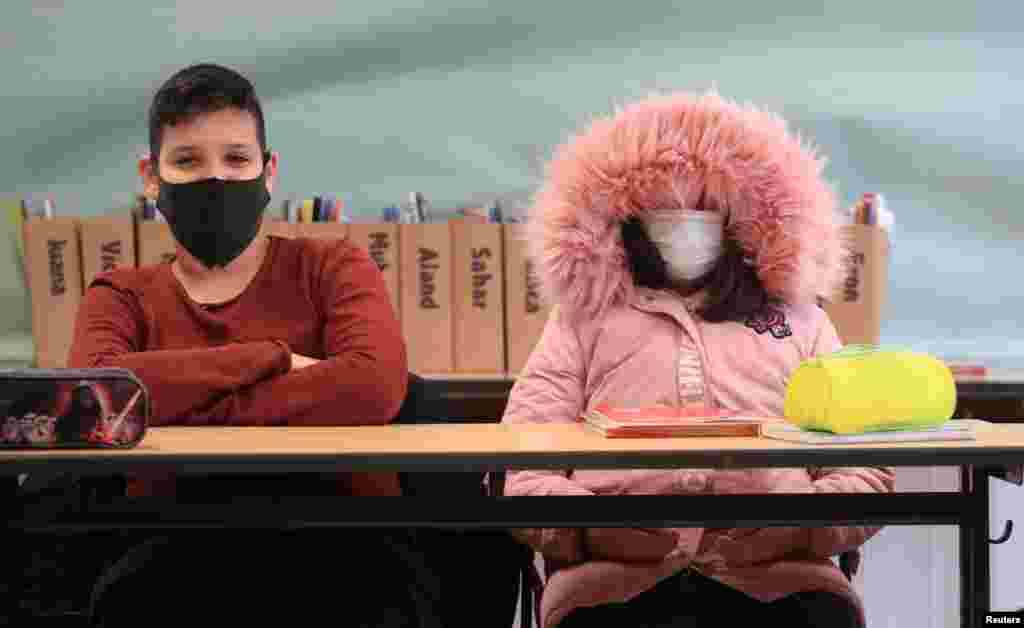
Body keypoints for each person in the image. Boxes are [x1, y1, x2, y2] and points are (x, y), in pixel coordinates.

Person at [502, 90, 895, 628]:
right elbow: (523, 464)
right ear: (625, 220)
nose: (685, 224)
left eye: (705, 211)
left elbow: (864, 466)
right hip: (609, 582)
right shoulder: (581, 319)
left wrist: (800, 529)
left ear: (748, 220)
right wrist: (591, 529)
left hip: (782, 578)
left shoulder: (803, 321)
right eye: (663, 210)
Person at [66, 63, 437, 627]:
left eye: (236, 159)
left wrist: (173, 402)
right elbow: (96, 401)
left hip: (346, 549)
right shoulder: (121, 295)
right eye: (187, 161)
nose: (215, 179)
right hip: (168, 555)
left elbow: (374, 385)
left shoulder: (333, 266)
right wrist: (274, 358)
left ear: (269, 172)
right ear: (150, 176)